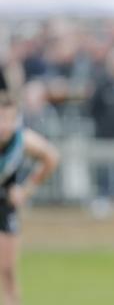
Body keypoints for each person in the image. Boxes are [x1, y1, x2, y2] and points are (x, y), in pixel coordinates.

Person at [0, 90, 59, 305]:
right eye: (0, 118)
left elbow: (51, 158)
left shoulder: (21, 140)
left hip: (5, 206)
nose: (5, 125)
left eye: (10, 118)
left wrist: (26, 190)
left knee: (8, 272)